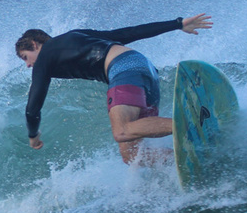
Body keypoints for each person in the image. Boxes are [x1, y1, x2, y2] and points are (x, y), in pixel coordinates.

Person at [15, 14, 213, 164]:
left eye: (25, 57)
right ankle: (189, 159)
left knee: (121, 131)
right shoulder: (75, 36)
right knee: (131, 154)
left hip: (123, 69)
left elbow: (33, 108)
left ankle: (196, 120)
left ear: (34, 44)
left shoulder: (45, 56)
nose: (28, 65)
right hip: (144, 68)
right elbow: (125, 34)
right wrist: (177, 24)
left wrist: (33, 136)